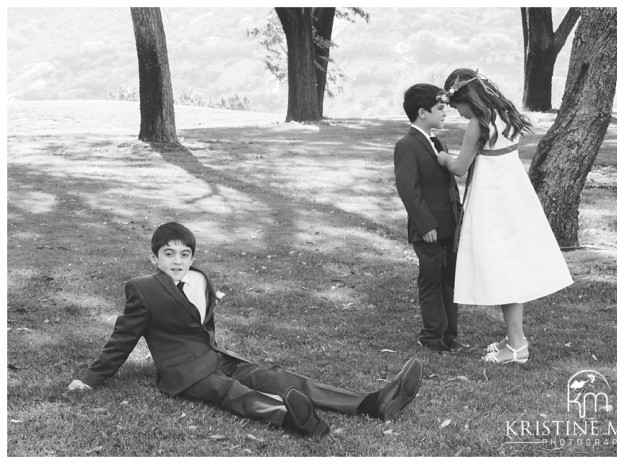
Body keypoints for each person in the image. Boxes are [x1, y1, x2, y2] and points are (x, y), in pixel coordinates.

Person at [68, 222, 423, 437]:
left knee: (279, 378)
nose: (177, 261)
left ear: (193, 257)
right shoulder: (142, 288)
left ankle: (371, 404)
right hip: (184, 372)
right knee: (231, 393)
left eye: (185, 254)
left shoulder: (200, 279)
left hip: (218, 356)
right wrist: (90, 378)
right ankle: (295, 419)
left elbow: (202, 323)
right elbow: (122, 338)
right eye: (169, 254)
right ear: (154, 259)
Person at [435, 68, 573, 364]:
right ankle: (513, 338)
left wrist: (444, 158)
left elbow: (460, 168)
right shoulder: (504, 114)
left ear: (467, 99)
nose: (457, 113)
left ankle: (517, 346)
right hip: (513, 192)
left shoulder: (477, 124)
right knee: (508, 264)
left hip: (491, 199)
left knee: (501, 269)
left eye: (456, 105)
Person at [394, 84, 462, 354]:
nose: (445, 112)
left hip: (449, 226)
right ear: (423, 112)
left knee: (450, 281)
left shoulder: (438, 142)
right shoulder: (406, 145)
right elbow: (409, 190)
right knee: (431, 281)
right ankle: (432, 337)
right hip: (428, 230)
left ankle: (449, 336)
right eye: (440, 108)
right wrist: (426, 226)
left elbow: (448, 186)